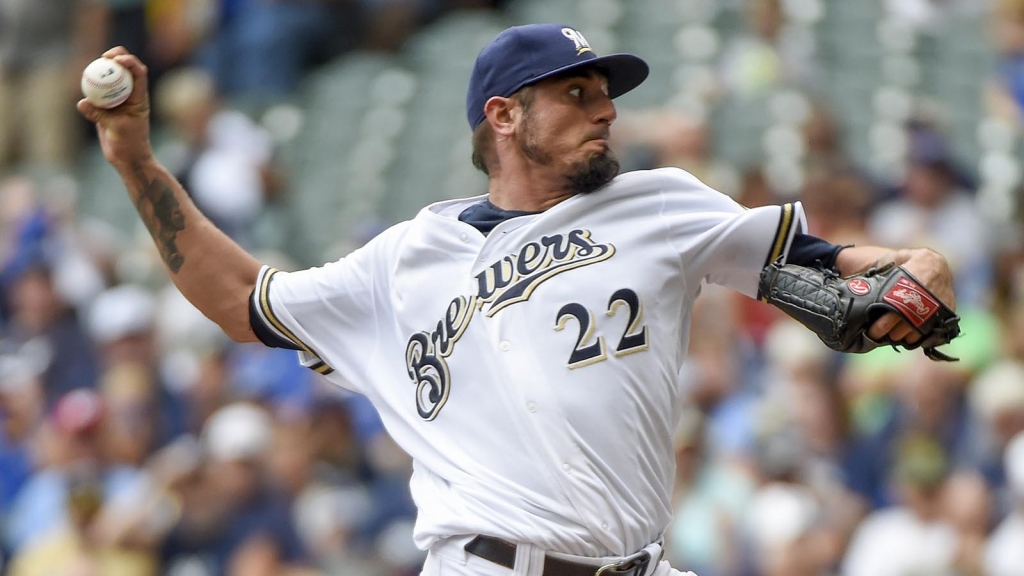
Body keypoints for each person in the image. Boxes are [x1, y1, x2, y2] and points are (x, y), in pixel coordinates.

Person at [78, 23, 957, 576]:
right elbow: (241, 300)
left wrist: (916, 260)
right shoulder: (401, 262)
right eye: (576, 94)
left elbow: (835, 261)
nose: (603, 111)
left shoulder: (660, 203)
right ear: (503, 116)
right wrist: (136, 162)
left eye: (605, 95)